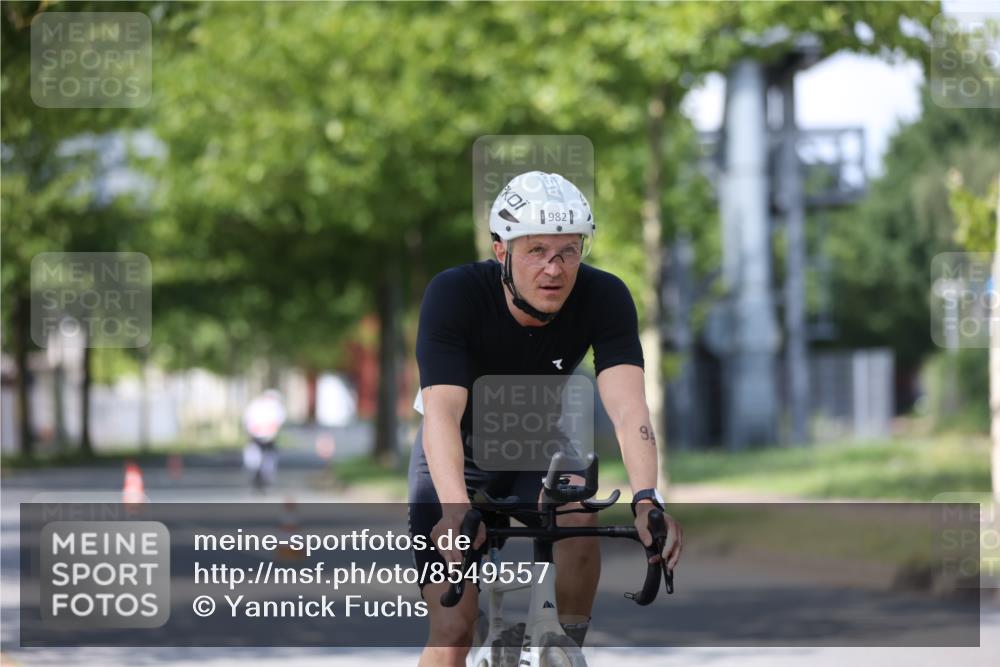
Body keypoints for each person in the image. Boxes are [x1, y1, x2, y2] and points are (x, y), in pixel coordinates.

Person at [409, 171, 684, 666]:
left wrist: (648, 498)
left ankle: (561, 646)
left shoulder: (605, 297)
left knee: (578, 511)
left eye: (568, 251)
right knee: (453, 629)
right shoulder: (454, 294)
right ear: (502, 252)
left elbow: (628, 407)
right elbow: (442, 414)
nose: (553, 269)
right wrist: (454, 511)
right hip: (455, 456)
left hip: (537, 446)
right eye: (535, 251)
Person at [243, 389, 286, 492]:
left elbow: (278, 421)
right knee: (258, 456)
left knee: (267, 457)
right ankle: (258, 475)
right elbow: (248, 419)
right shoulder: (257, 405)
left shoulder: (274, 407)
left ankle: (263, 476)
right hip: (258, 435)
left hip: (266, 436)